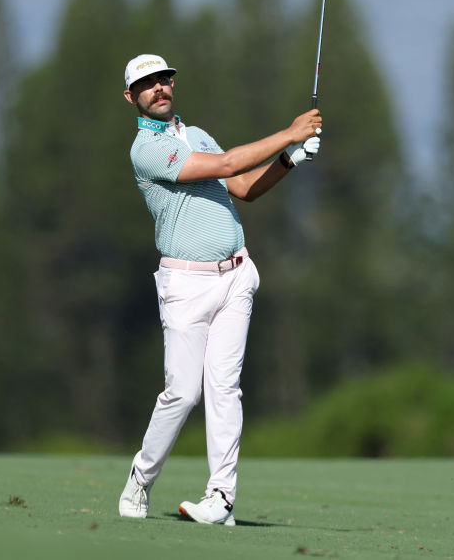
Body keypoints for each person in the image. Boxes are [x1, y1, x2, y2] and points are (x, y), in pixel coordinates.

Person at [117, 54, 321, 526]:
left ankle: (221, 498)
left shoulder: (199, 135)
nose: (158, 88)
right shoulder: (145, 149)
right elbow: (229, 162)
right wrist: (289, 133)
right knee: (182, 393)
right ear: (132, 97)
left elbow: (243, 184)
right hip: (186, 284)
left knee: (225, 388)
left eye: (163, 79)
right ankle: (141, 478)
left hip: (235, 276)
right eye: (146, 84)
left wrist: (290, 159)